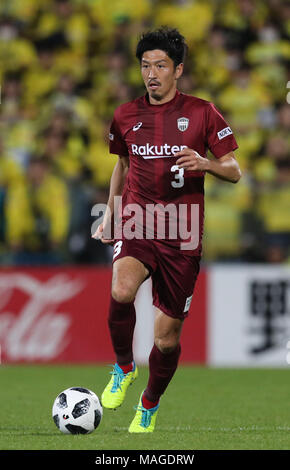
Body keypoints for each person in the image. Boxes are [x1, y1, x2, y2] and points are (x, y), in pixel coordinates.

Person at [93, 27, 241, 433]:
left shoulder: (203, 111)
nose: (151, 73)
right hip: (139, 220)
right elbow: (121, 165)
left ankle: (149, 404)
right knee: (121, 289)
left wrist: (205, 163)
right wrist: (111, 213)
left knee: (166, 341)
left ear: (178, 69)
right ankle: (124, 367)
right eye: (145, 65)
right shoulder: (125, 115)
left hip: (184, 231)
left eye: (160, 65)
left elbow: (235, 169)